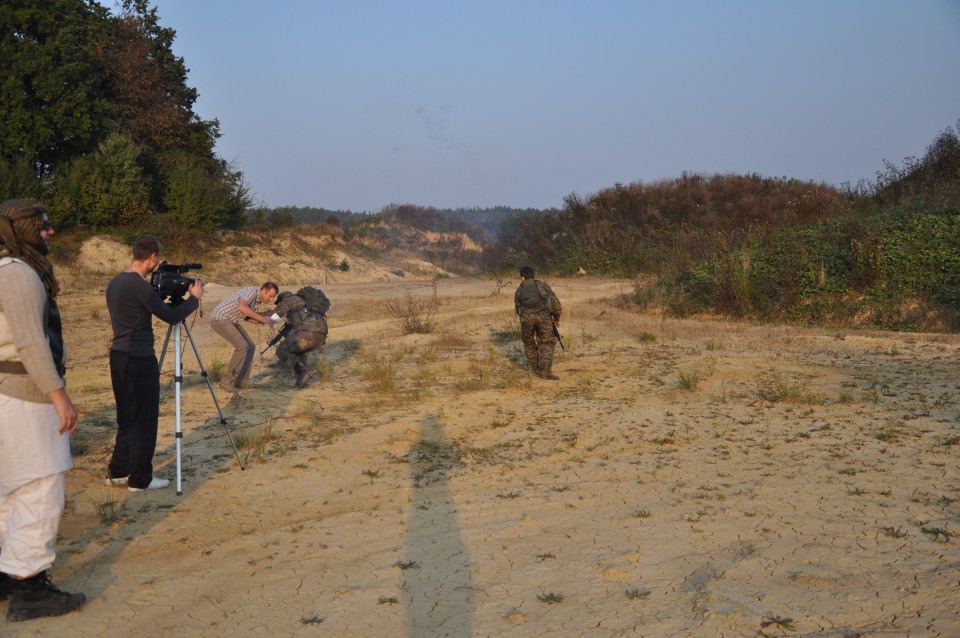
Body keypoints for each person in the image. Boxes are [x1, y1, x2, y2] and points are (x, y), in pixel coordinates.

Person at [0, 199, 86, 621]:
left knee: (10, 488)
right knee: (40, 487)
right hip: (24, 394)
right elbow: (32, 343)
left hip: (6, 393)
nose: (50, 231)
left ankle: (7, 574)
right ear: (23, 230)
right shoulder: (17, 274)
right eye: (44, 225)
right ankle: (30, 589)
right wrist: (59, 395)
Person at [104, 236, 204, 492]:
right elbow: (171, 316)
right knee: (144, 420)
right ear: (153, 257)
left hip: (118, 356)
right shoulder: (140, 286)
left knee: (126, 418)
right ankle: (140, 479)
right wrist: (194, 298)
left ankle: (118, 470)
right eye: (157, 259)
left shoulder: (116, 282)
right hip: (138, 358)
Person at [209, 282, 279, 391]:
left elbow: (247, 317)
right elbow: (242, 307)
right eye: (270, 296)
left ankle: (240, 382)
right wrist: (262, 318)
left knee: (251, 346)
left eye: (273, 297)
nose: (271, 299)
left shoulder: (257, 301)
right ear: (263, 290)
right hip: (220, 319)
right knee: (242, 347)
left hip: (230, 320)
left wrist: (261, 320)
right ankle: (228, 382)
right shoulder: (251, 292)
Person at [272, 287, 329, 388]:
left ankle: (305, 369)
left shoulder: (288, 300)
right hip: (321, 335)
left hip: (309, 333)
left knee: (281, 350)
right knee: (298, 350)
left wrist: (257, 316)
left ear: (282, 299)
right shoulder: (306, 303)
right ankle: (302, 380)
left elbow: (274, 316)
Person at [514, 265, 562, 380]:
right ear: (533, 275)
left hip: (526, 319)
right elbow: (556, 304)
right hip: (544, 318)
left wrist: (525, 317)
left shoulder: (520, 290)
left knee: (529, 343)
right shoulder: (542, 285)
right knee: (547, 342)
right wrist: (556, 318)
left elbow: (518, 308)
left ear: (522, 277)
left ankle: (536, 370)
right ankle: (545, 371)